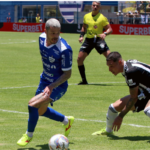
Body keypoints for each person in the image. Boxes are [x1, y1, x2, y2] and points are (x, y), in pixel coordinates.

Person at [17, 18, 74, 146]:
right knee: (40, 111)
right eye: (53, 33)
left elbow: (68, 74)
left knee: (32, 105)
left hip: (58, 85)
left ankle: (28, 135)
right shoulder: (41, 38)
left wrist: (52, 85)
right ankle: (66, 121)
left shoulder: (64, 49)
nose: (55, 36)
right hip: (45, 80)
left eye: (58, 33)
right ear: (45, 30)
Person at [92, 51, 150, 135]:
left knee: (148, 110)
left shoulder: (130, 72)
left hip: (145, 92)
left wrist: (120, 116)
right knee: (112, 108)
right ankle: (108, 131)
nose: (109, 69)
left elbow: (134, 97)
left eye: (111, 66)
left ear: (119, 62)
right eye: (108, 66)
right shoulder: (127, 66)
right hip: (145, 92)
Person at [77, 1, 112, 85]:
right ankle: (84, 80)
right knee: (79, 59)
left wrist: (105, 33)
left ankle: (126, 75)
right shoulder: (86, 16)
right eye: (94, 5)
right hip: (88, 40)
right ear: (91, 6)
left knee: (112, 58)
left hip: (98, 39)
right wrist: (81, 36)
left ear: (99, 8)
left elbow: (110, 29)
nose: (95, 7)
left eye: (97, 6)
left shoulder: (102, 18)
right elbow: (84, 27)